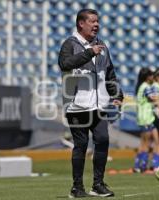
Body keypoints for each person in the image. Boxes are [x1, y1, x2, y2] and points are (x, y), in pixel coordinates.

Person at [58, 9, 123, 197]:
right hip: (76, 105)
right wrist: (88, 53)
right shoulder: (69, 44)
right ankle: (77, 187)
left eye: (98, 21)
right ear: (81, 24)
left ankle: (98, 184)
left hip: (99, 106)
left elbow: (109, 73)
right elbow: (65, 64)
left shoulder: (102, 45)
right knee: (81, 144)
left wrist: (117, 95)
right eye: (93, 21)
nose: (97, 25)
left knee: (102, 140)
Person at [133, 68, 159, 173]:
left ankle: (152, 164)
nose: (153, 77)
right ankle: (141, 166)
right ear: (147, 77)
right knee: (145, 143)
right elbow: (155, 99)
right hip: (145, 118)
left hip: (149, 117)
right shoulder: (145, 87)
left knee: (155, 140)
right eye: (151, 75)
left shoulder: (144, 86)